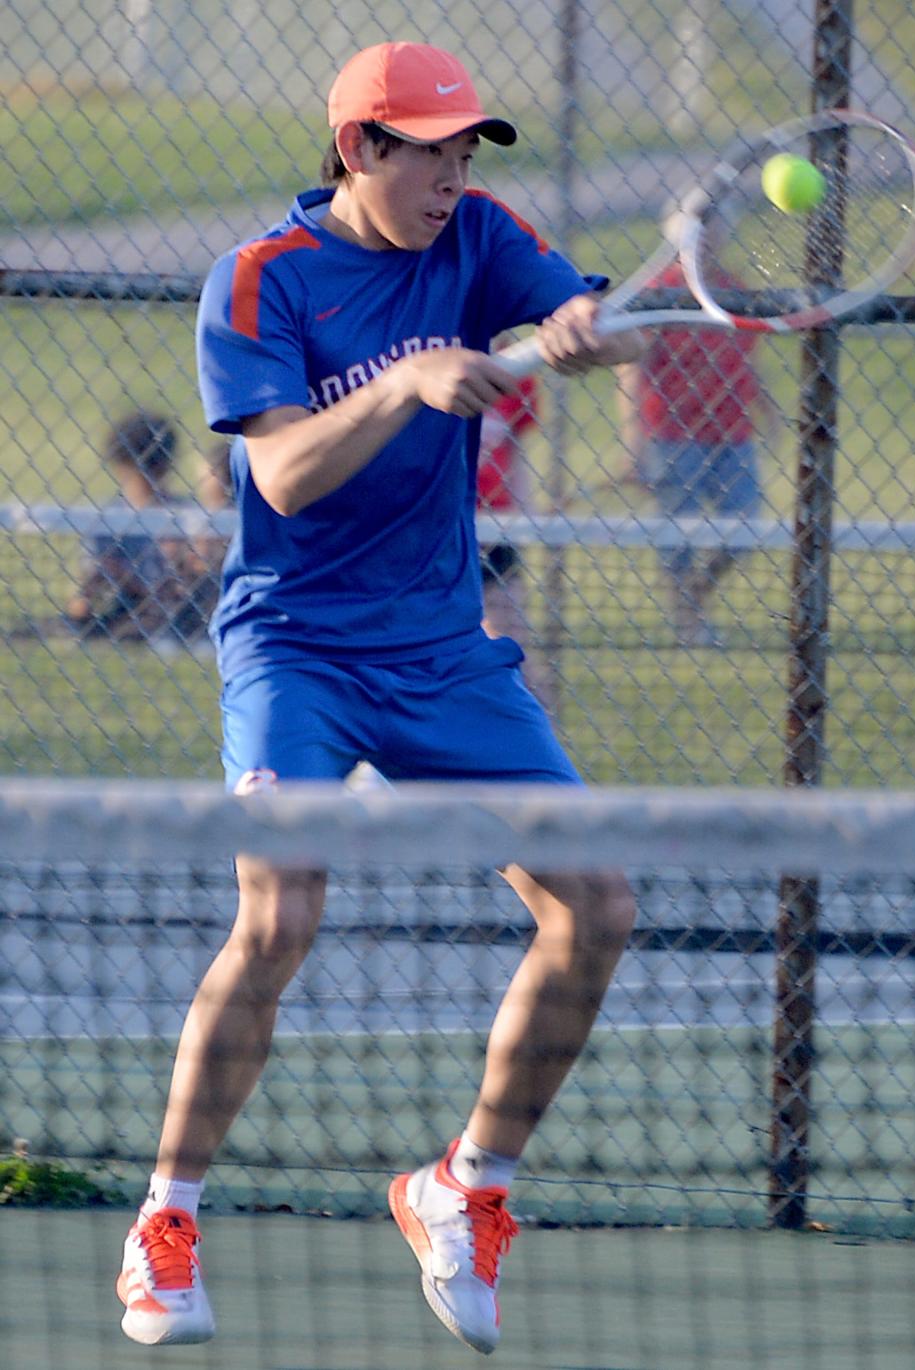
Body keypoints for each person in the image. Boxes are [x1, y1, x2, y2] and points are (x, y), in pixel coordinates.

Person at [115, 41, 644, 1356]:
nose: (456, 177)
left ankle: (466, 1186)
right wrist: (410, 380)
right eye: (433, 153)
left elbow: (579, 311)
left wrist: (584, 328)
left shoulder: (482, 239)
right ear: (360, 148)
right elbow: (284, 477)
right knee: (282, 908)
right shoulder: (258, 281)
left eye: (470, 153)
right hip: (294, 643)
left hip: (444, 650)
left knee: (601, 903)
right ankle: (166, 1222)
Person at [616, 213, 778, 646]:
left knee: (746, 524)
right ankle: (688, 617)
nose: (707, 239)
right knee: (679, 535)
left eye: (715, 227)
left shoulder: (736, 289)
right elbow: (633, 368)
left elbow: (749, 359)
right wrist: (634, 443)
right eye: (696, 229)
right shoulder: (661, 291)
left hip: (732, 432)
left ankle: (698, 592)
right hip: (673, 432)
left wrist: (771, 412)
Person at [64, 411, 222, 646]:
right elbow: (83, 600)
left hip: (183, 614)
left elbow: (193, 581)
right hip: (128, 610)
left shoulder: (190, 518)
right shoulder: (108, 521)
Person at [477, 372, 557, 709]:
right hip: (441, 523)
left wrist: (526, 512)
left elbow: (516, 456)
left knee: (509, 636)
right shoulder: (427, 358)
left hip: (497, 525)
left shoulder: (517, 373)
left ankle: (542, 725)